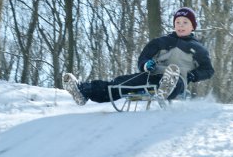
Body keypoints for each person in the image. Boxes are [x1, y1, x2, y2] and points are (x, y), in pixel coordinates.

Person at [63, 7, 214, 105]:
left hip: (179, 79)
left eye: (185, 22)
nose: (181, 25)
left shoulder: (198, 48)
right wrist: (146, 65)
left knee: (176, 81)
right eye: (178, 22)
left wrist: (193, 75)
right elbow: (144, 57)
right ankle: (83, 92)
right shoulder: (161, 41)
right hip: (153, 75)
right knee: (119, 83)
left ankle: (166, 87)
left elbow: (208, 70)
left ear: (193, 26)